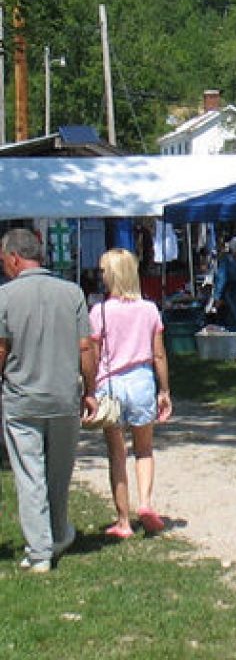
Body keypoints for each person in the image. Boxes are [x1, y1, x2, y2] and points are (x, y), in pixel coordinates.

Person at [0, 227, 97, 573]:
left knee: (30, 475)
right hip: (64, 397)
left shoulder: (4, 297)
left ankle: (40, 551)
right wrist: (90, 390)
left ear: (14, 258)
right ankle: (58, 533)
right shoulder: (72, 293)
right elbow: (86, 347)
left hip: (21, 398)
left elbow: (1, 348)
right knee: (58, 473)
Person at [90, 248, 173, 538]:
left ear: (111, 275)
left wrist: (88, 389)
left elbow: (95, 354)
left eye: (103, 271)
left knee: (116, 453)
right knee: (144, 448)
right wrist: (164, 390)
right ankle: (146, 503)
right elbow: (159, 354)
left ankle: (123, 520)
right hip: (141, 381)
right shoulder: (149, 310)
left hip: (110, 384)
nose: (100, 275)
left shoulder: (99, 311)